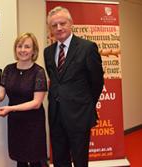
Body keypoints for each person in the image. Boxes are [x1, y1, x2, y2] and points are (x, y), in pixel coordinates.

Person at [44, 6, 104, 167]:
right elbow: (55, 81)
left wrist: (85, 105)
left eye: (62, 23)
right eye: (54, 25)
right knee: (59, 159)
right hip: (56, 115)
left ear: (71, 23)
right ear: (50, 29)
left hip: (79, 115)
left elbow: (97, 82)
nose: (59, 28)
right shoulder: (47, 52)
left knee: (80, 161)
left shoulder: (87, 48)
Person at [0, 33, 48, 167]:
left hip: (33, 122)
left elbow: (36, 103)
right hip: (15, 122)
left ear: (34, 50)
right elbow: (0, 95)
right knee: (20, 159)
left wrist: (10, 109)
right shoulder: (8, 69)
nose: (22, 50)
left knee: (36, 160)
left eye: (27, 46)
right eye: (19, 46)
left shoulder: (39, 72)